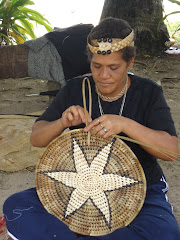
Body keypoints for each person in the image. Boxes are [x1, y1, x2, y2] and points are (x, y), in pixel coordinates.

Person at [3, 17, 180, 240]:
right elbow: (37, 138)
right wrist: (62, 122)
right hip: (76, 186)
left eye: (114, 68)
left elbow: (171, 151)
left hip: (141, 188)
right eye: (97, 66)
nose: (104, 76)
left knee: (165, 233)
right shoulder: (76, 87)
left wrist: (125, 124)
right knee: (18, 206)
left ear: (131, 62)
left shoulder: (148, 92)